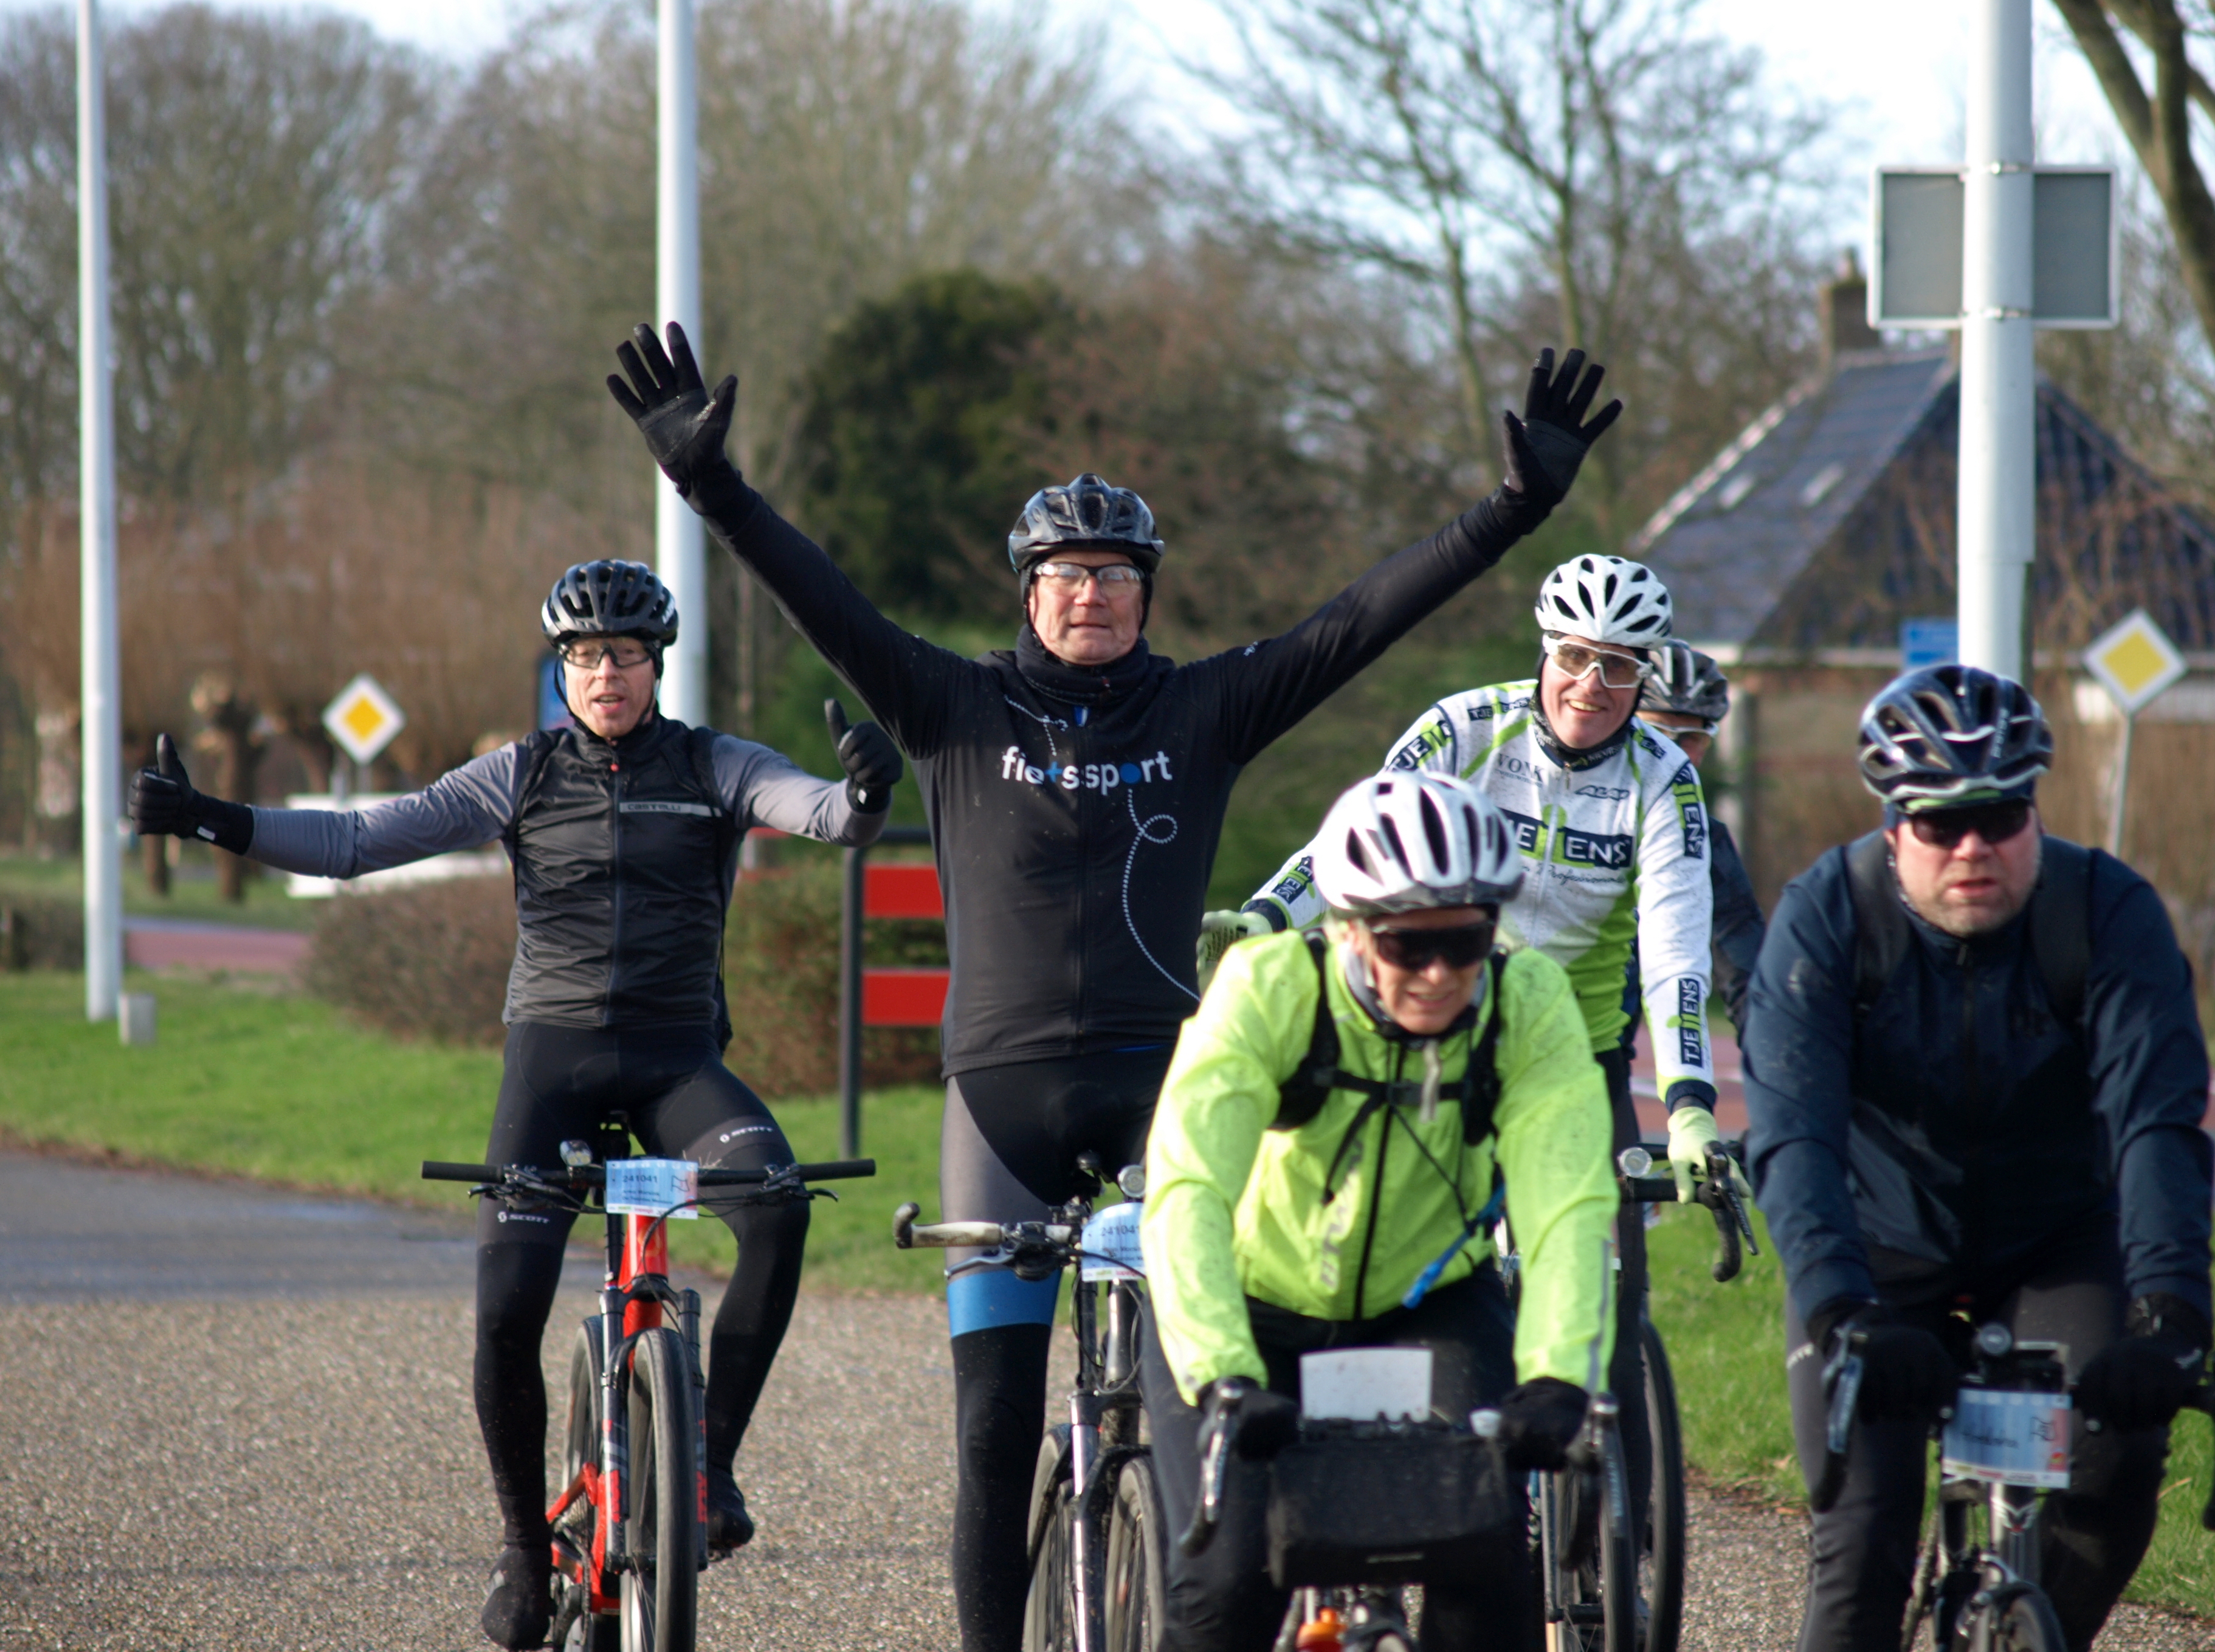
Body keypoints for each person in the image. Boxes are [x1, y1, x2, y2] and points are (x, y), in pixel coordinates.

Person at [605, 320, 1622, 1652]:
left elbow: (1360, 621)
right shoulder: (951, 707)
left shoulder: (1204, 710)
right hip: (1000, 1114)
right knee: (992, 1433)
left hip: (1166, 1098)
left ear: (1147, 592)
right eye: (1064, 574)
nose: (1090, 594)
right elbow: (825, 597)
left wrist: (1513, 508)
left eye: (1115, 574)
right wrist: (710, 486)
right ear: (1027, 593)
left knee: (1202, 1395)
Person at [128, 559, 904, 1650]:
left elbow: (820, 813)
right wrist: (212, 819)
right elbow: (359, 842)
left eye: (625, 657)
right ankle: (520, 1547)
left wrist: (865, 797)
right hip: (554, 1066)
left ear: (654, 666)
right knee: (505, 1306)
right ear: (562, 670)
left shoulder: (716, 764)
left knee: (777, 1205)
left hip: (682, 1064)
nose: (605, 676)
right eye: (585, 658)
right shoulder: (521, 774)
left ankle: (707, 1466)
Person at [1218, 552, 1725, 1529]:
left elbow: (1675, 947)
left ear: (1646, 677)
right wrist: (1266, 915)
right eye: (1577, 656)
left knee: (1609, 1311)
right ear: (1546, 652)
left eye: (1621, 667)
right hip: (1433, 1034)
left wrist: (1692, 1100)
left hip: (1569, 1054)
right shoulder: (1463, 727)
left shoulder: (1665, 780)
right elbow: (1356, 841)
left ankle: (1623, 1541)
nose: (1593, 685)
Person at [1741, 663, 2214, 1652]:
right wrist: (1839, 1309)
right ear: (1890, 827)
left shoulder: (2104, 913)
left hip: (2054, 1240)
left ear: (2033, 812)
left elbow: (2155, 1124)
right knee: (1861, 1551)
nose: (1971, 847)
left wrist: (2167, 1313)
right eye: (1937, 823)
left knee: (2118, 1467)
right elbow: (1794, 1140)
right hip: (1876, 1253)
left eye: (1998, 817)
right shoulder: (1826, 919)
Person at [1142, 769, 1617, 1651]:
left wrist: (1558, 1377)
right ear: (1353, 932)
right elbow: (1187, 1188)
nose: (1440, 974)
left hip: (1426, 1305)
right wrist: (1220, 1374)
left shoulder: (1526, 1002)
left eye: (1467, 941)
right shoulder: (1270, 986)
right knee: (1225, 1586)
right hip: (1250, 1313)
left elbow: (1568, 1205)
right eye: (1407, 947)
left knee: (1487, 1570)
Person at [1628, 638, 1764, 1037]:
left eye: (1691, 738)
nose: (1674, 753)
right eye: (1656, 732)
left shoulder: (1705, 836)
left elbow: (1747, 972)